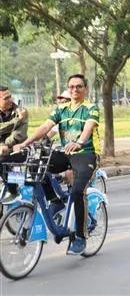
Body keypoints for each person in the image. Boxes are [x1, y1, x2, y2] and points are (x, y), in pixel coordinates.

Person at [14, 74, 99, 255]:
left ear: (85, 89)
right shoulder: (61, 109)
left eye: (79, 86)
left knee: (77, 191)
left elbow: (88, 128)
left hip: (85, 154)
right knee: (37, 166)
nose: (75, 90)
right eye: (72, 87)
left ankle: (81, 236)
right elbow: (45, 128)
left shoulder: (91, 108)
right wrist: (25, 143)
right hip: (65, 153)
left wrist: (80, 143)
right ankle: (55, 199)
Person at [0, 85, 29, 203]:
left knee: (2, 161)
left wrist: (5, 145)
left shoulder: (21, 111)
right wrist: (16, 120)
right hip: (1, 149)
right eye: (6, 98)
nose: (10, 100)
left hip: (18, 148)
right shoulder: (18, 117)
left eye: (10, 96)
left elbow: (19, 135)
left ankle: (14, 190)